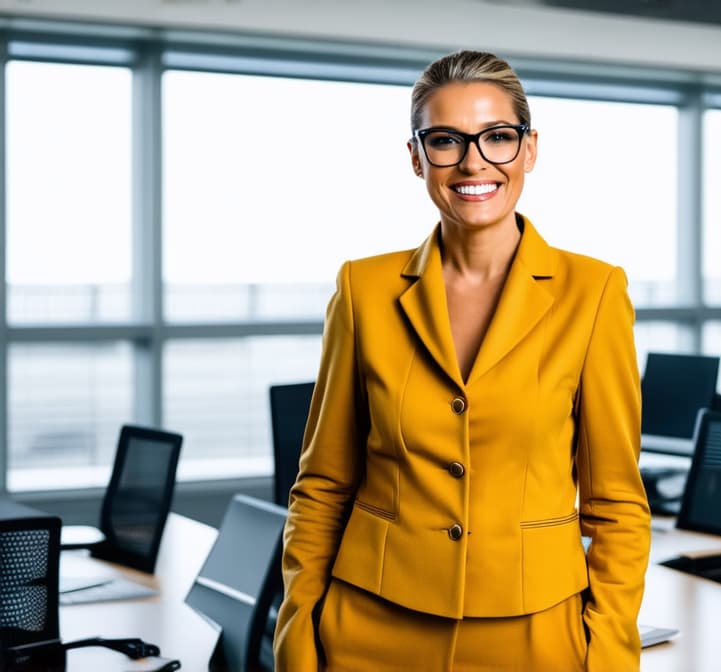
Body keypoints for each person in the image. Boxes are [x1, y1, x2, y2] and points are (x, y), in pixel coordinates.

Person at [274, 49, 651, 671]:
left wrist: (608, 652)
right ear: (417, 157)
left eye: (498, 137)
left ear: (529, 149)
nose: (474, 162)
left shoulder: (595, 293)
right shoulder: (362, 289)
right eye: (446, 140)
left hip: (536, 633)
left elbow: (616, 505)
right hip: (369, 622)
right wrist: (299, 636)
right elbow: (322, 485)